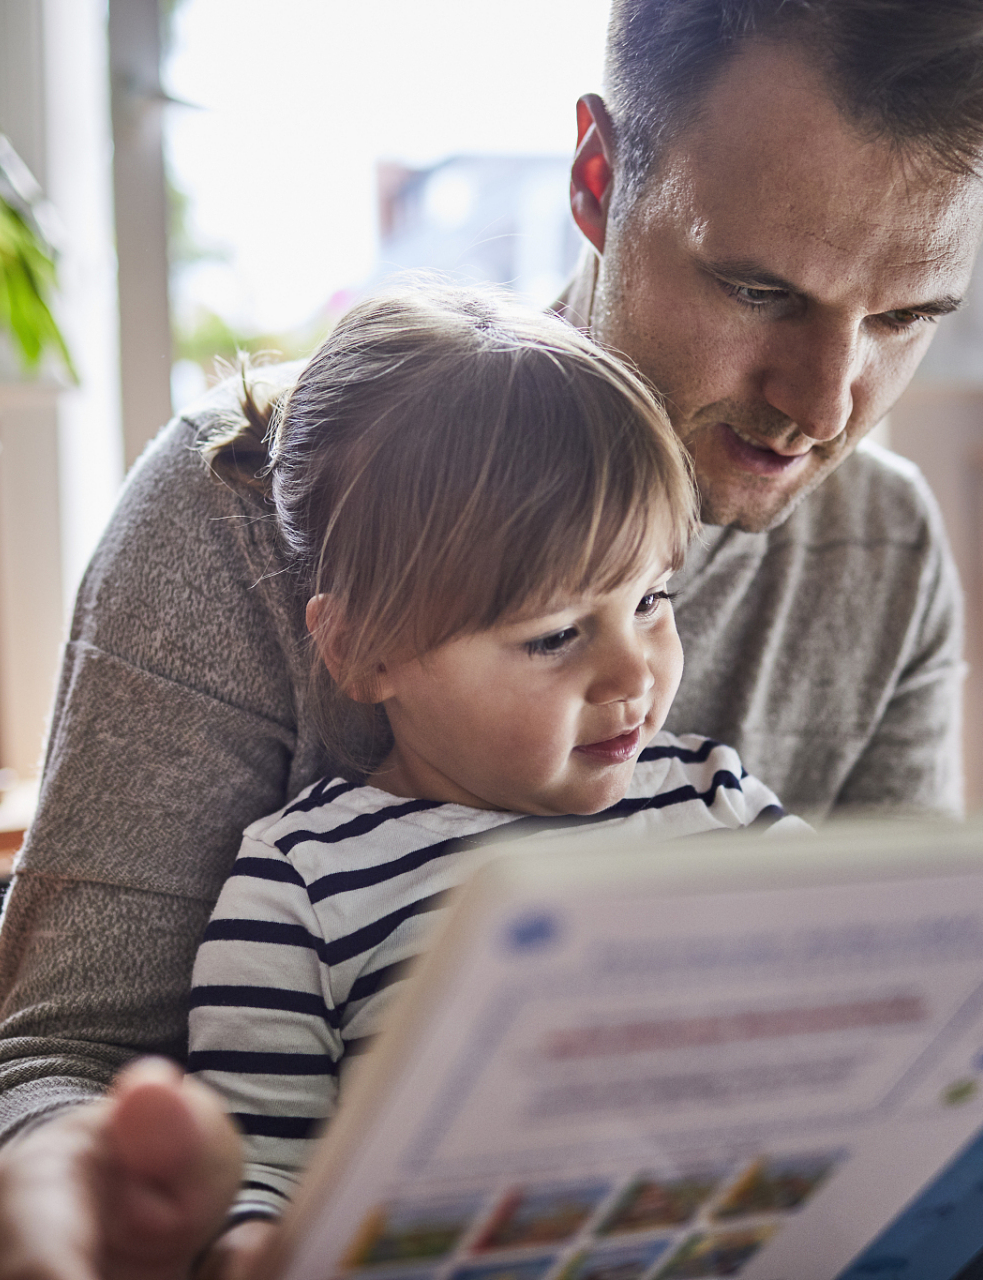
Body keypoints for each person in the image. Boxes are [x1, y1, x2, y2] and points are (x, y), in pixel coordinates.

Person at [0, 4, 983, 1279]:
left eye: (908, 315)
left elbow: (926, 1065)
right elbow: (54, 1060)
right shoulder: (249, 508)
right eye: (761, 290)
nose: (826, 399)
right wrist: (67, 1203)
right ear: (597, 175)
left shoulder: (882, 544)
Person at [184, 285, 806, 1254]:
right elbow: (256, 1174)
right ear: (362, 650)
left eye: (652, 599)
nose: (634, 670)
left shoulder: (711, 797)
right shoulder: (301, 887)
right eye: (556, 635)